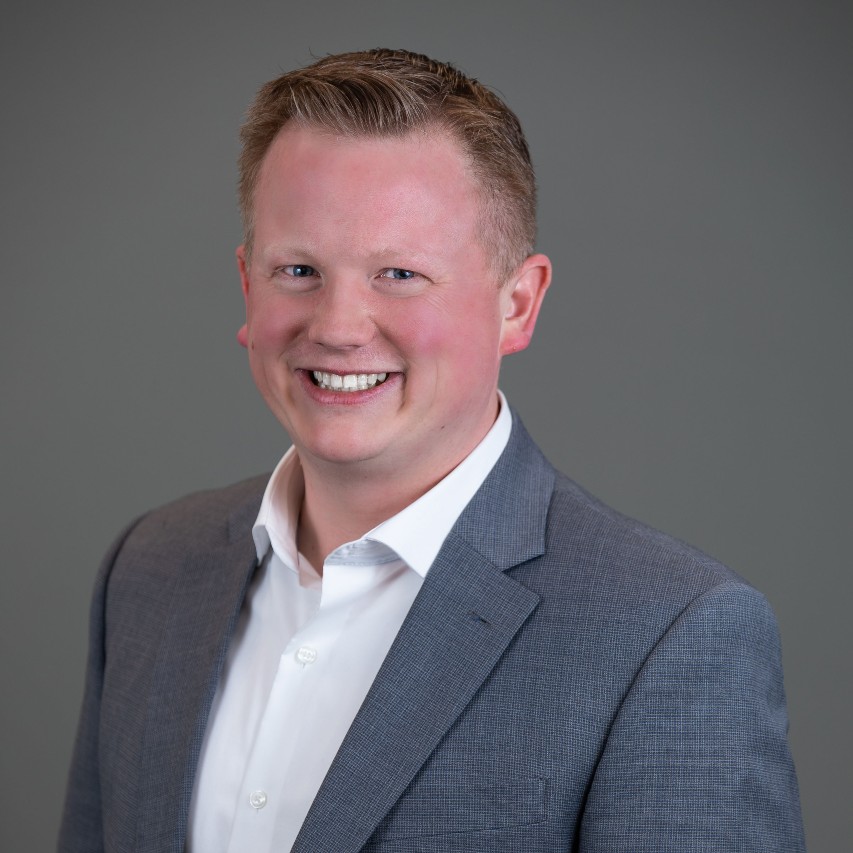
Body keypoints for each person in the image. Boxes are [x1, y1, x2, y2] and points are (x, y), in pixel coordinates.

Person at [59, 49, 805, 852]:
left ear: (517, 304)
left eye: (401, 273)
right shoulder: (147, 572)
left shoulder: (670, 636)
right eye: (299, 269)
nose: (339, 325)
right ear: (248, 288)